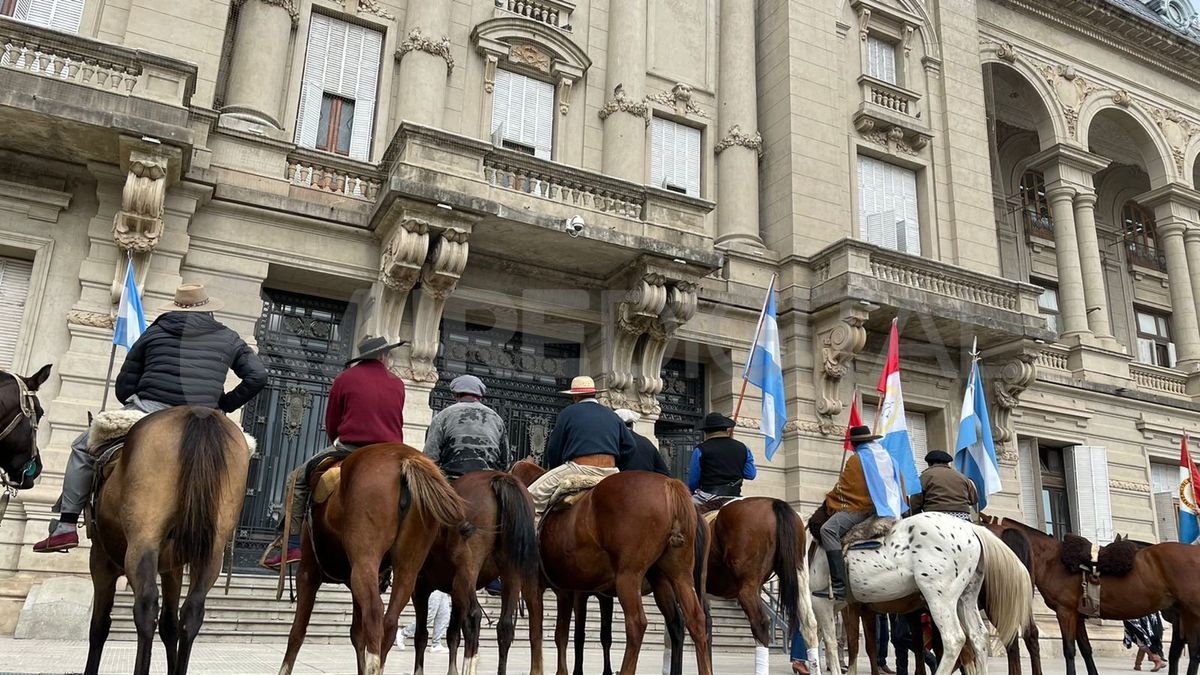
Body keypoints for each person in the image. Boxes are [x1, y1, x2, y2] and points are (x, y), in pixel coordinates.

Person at [33, 283, 268, 553]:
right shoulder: (229, 337)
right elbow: (258, 376)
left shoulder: (154, 332)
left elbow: (124, 387)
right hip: (203, 419)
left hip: (149, 410)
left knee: (82, 447)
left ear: (175, 307)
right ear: (208, 309)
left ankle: (66, 525)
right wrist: (223, 404)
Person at [264, 335, 407, 569]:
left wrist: (335, 441)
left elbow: (332, 420)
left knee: (296, 479)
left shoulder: (345, 378)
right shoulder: (397, 383)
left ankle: (290, 544)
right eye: (388, 354)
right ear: (382, 356)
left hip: (351, 448)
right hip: (390, 452)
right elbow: (396, 419)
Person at [527, 376, 634, 519]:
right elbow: (630, 446)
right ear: (594, 394)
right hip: (611, 471)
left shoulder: (569, 412)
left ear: (576, 396)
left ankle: (531, 538)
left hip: (579, 468)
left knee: (530, 496)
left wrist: (555, 468)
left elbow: (554, 448)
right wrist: (617, 466)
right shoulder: (612, 415)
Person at [817, 425, 883, 600]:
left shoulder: (855, 460)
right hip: (882, 509)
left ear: (853, 444)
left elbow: (845, 489)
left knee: (827, 530)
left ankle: (839, 585)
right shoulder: (881, 457)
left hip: (861, 509)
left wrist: (831, 497)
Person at [424, 374, 507, 478]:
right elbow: (505, 461)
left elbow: (430, 457)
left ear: (456, 395)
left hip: (453, 478)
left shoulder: (443, 416)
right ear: (479, 396)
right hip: (489, 478)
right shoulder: (496, 418)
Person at [687, 412, 756, 500]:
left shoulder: (700, 449)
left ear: (705, 432)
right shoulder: (743, 448)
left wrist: (692, 492)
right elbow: (751, 474)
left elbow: (693, 481)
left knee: (682, 511)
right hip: (735, 497)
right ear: (726, 430)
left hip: (707, 496)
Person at [907, 450, 978, 520]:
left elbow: (915, 503)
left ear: (929, 463)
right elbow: (973, 500)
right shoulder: (962, 477)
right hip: (963, 517)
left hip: (935, 517)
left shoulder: (924, 477)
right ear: (947, 463)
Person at [613, 408, 669, 475]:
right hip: (648, 482)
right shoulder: (646, 442)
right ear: (632, 424)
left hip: (622, 482)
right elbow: (663, 472)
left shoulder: (613, 442)